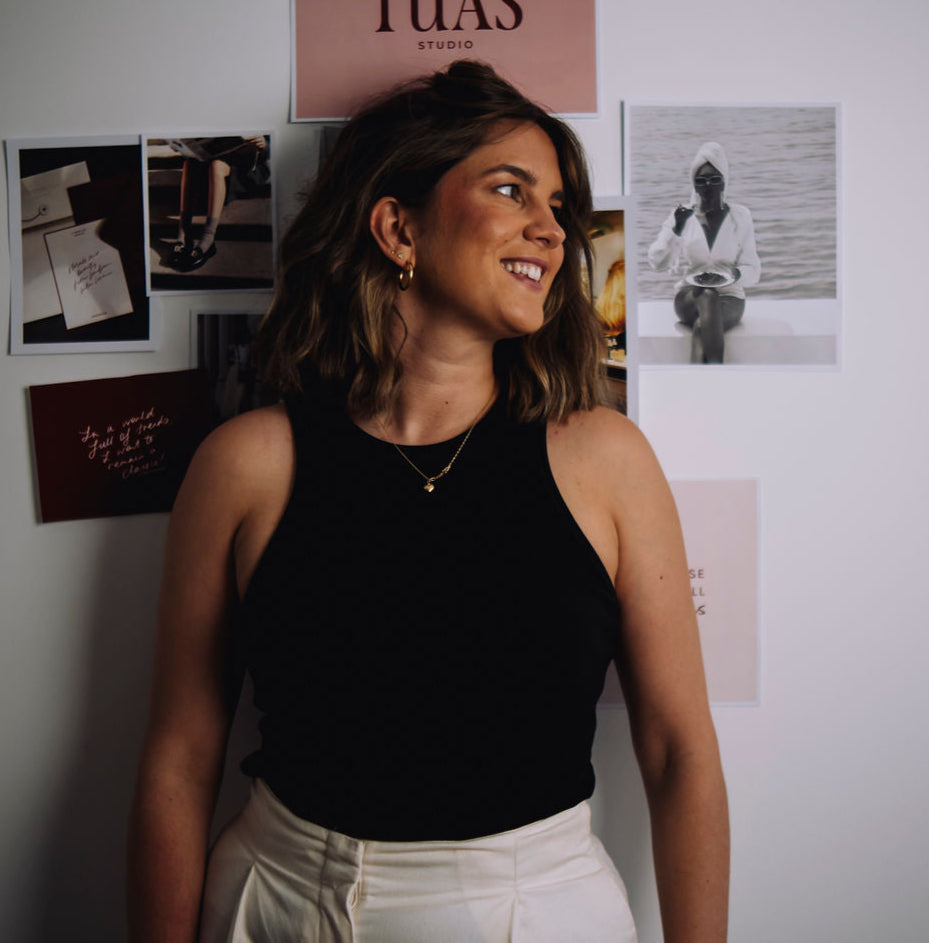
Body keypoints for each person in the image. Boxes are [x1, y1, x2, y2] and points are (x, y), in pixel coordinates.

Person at [128, 61, 728, 943]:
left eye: (557, 206)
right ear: (397, 227)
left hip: (540, 910)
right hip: (278, 903)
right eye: (510, 189)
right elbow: (180, 763)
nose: (551, 230)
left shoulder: (606, 461)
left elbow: (680, 755)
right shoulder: (245, 465)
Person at [648, 141, 760, 363]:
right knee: (707, 295)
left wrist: (733, 275)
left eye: (715, 179)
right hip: (689, 297)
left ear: (724, 181)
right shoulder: (681, 216)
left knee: (702, 327)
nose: (708, 185)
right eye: (701, 181)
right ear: (694, 185)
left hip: (730, 297)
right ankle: (718, 375)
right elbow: (657, 262)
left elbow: (754, 271)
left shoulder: (740, 216)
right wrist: (676, 230)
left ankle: (701, 383)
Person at [165, 136, 269, 272]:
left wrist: (265, 143)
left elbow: (272, 143)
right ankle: (184, 233)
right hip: (212, 157)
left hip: (243, 167)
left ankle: (209, 239)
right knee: (189, 164)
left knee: (217, 165)